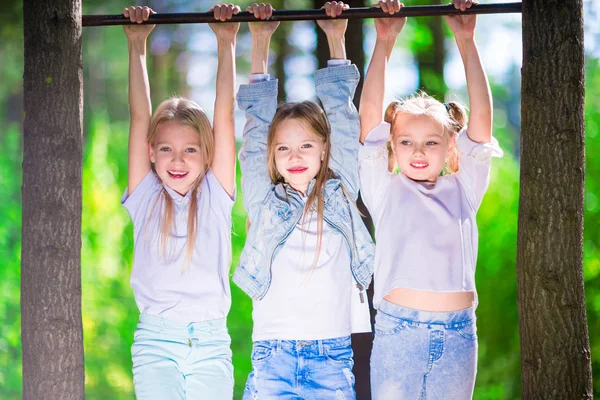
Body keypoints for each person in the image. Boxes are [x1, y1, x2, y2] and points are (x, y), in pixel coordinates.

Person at [359, 0, 503, 398]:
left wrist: (466, 40)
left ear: (450, 146)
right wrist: (384, 42)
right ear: (392, 146)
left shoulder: (464, 187)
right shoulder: (383, 189)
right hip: (398, 332)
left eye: (430, 142)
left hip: (458, 334)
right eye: (406, 142)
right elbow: (370, 116)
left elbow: (482, 122)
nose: (417, 151)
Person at [233, 2, 375, 398]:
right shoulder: (265, 200)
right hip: (272, 357)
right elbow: (257, 128)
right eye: (283, 149)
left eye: (306, 145)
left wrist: (335, 37)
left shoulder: (340, 191)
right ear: (272, 156)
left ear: (324, 150)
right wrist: (260, 41)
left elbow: (343, 122)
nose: (294, 157)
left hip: (330, 357)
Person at [120, 4, 239, 399]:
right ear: (151, 152)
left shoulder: (216, 196)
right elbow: (140, 117)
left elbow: (225, 116)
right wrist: (137, 45)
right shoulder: (146, 196)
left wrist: (226, 43)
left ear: (208, 154)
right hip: (156, 342)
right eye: (167, 148)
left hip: (210, 344)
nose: (178, 159)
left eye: (190, 150)